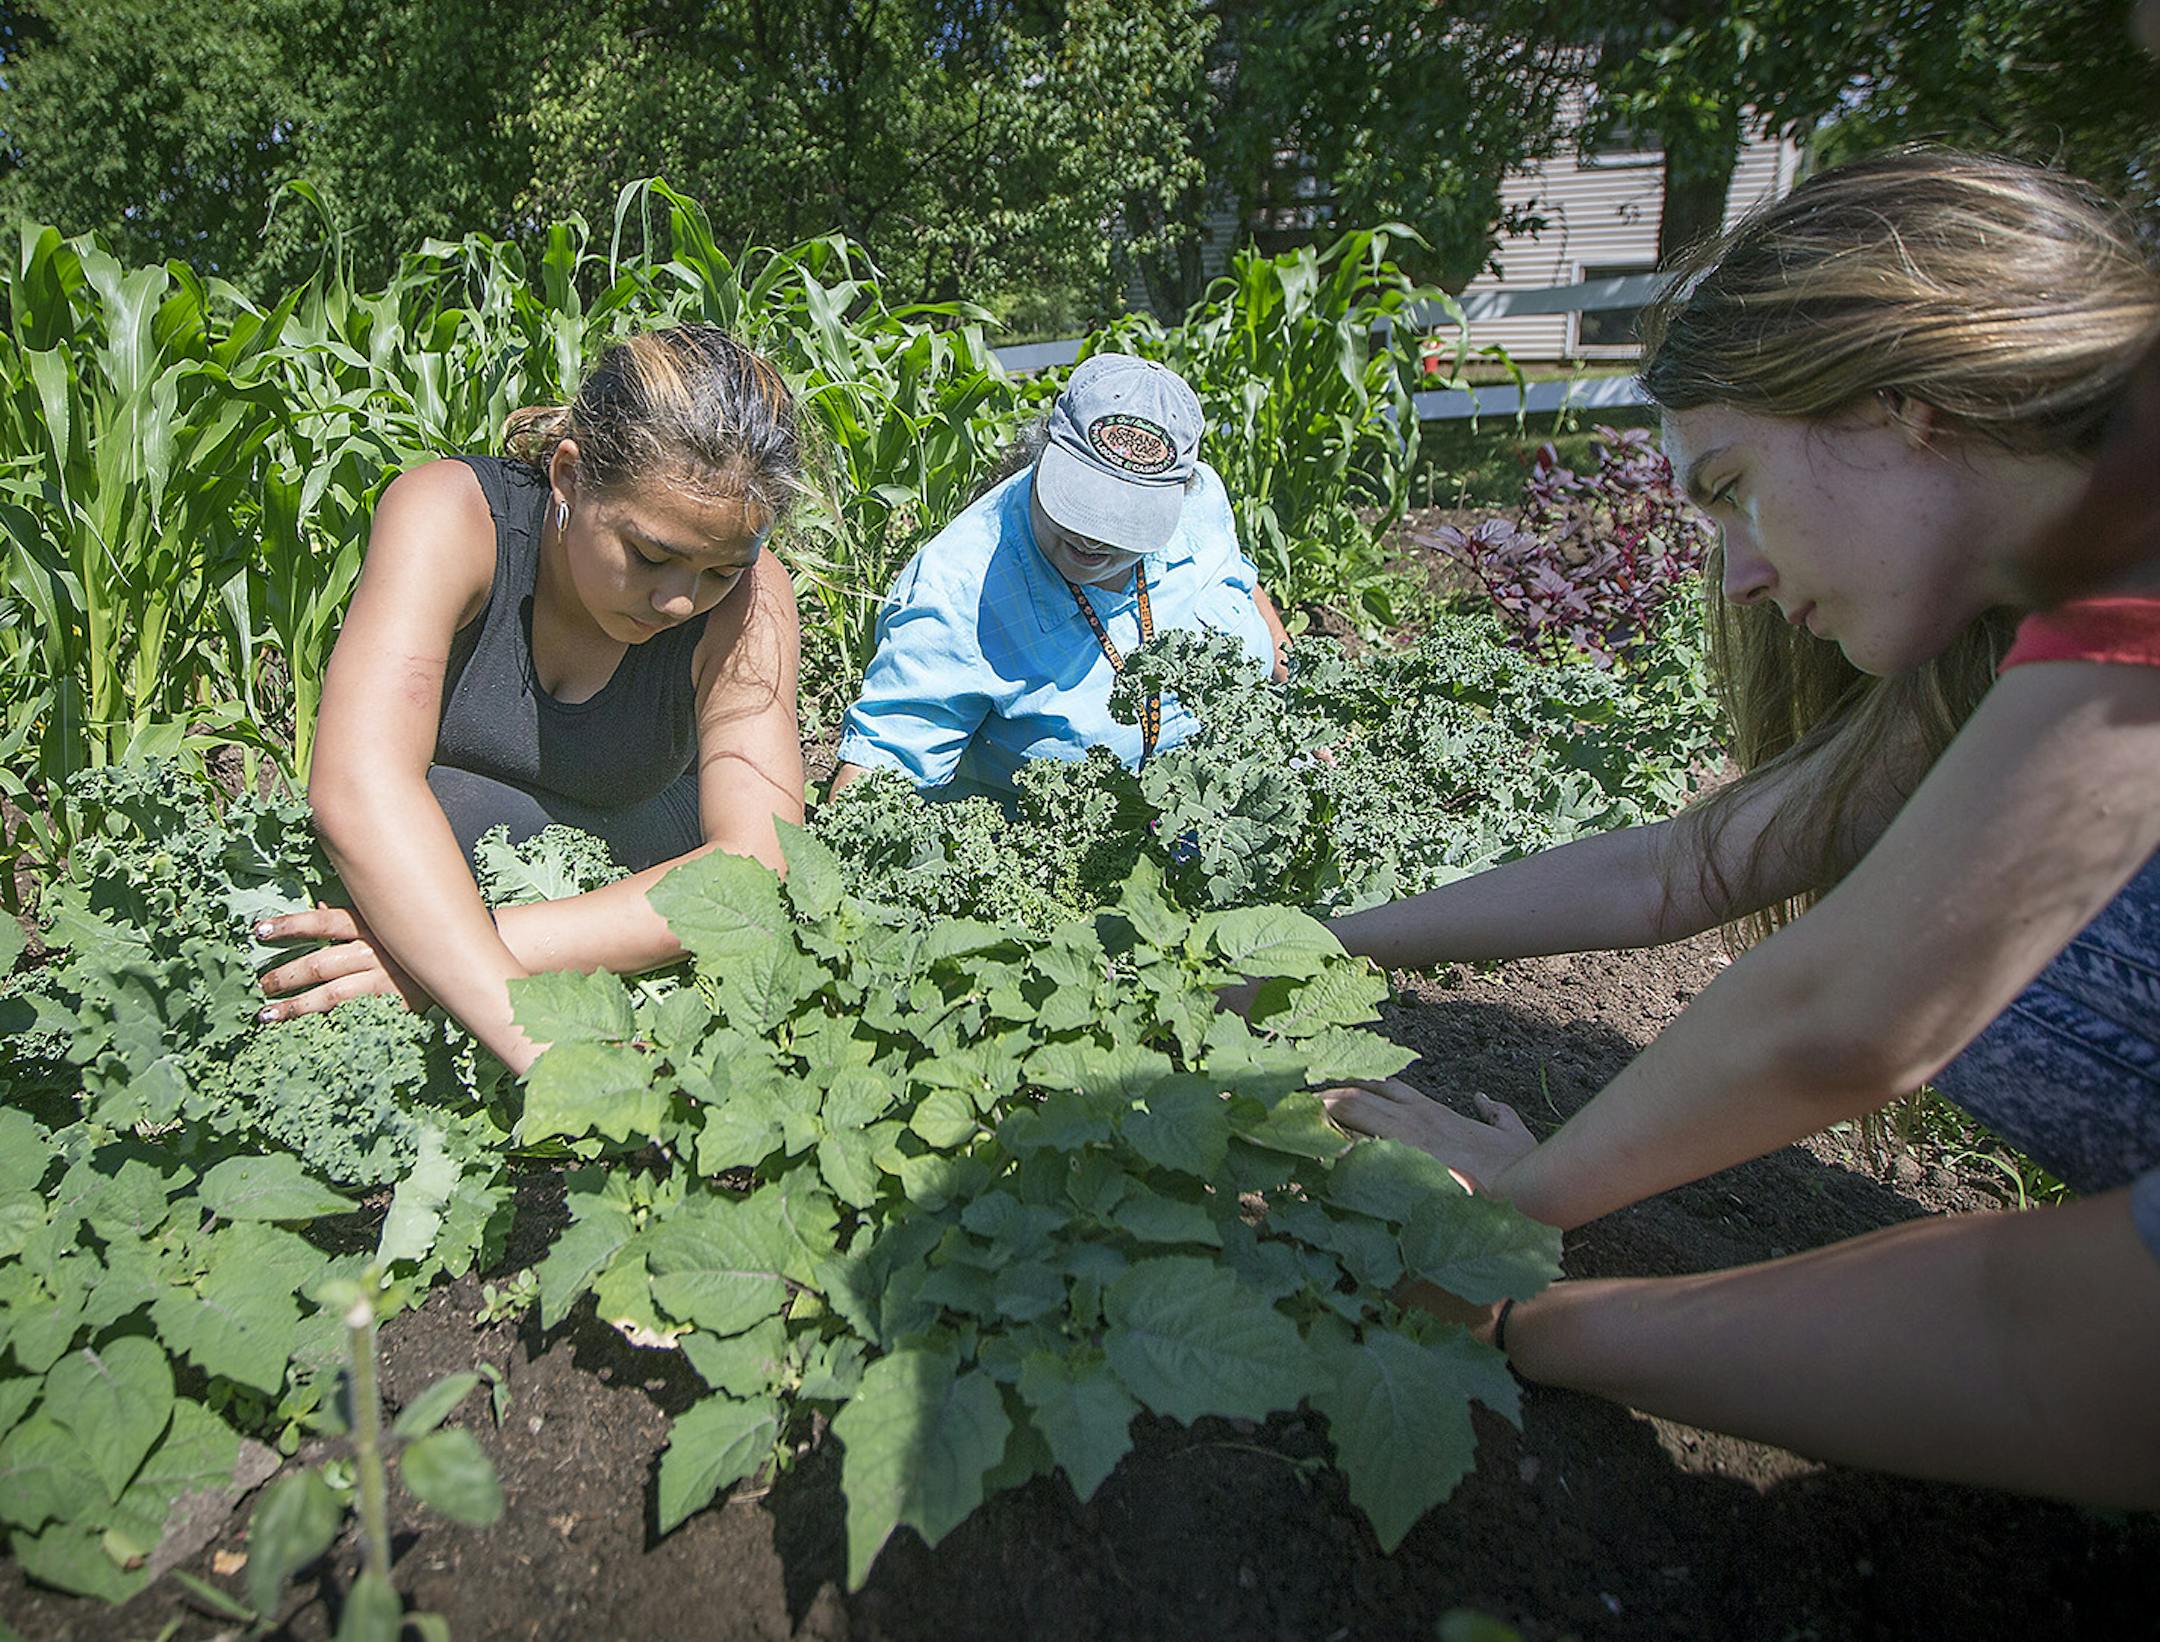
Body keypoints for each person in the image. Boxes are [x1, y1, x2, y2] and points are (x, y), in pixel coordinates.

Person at [1318, 149, 2160, 1506]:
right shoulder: (2027, 644)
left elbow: (1849, 1022)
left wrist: (1505, 1249)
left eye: (1731, 487)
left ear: (1904, 404)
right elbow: (1686, 862)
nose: (1744, 574)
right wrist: (1324, 941)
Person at [253, 325, 808, 1075]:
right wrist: (537, 1032)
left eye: (719, 571)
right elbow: (359, 783)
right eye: (650, 554)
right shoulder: (447, 516)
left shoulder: (756, 597)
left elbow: (757, 860)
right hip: (476, 864)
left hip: (643, 864)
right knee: (446, 808)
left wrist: (455, 963)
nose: (680, 601)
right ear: (570, 477)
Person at [829, 352, 1290, 802]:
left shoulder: (1201, 503)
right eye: (1081, 503)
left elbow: (1242, 586)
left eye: (1127, 518)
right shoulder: (957, 592)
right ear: (1045, 452)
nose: (1092, 537)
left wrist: (1301, 700)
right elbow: (875, 786)